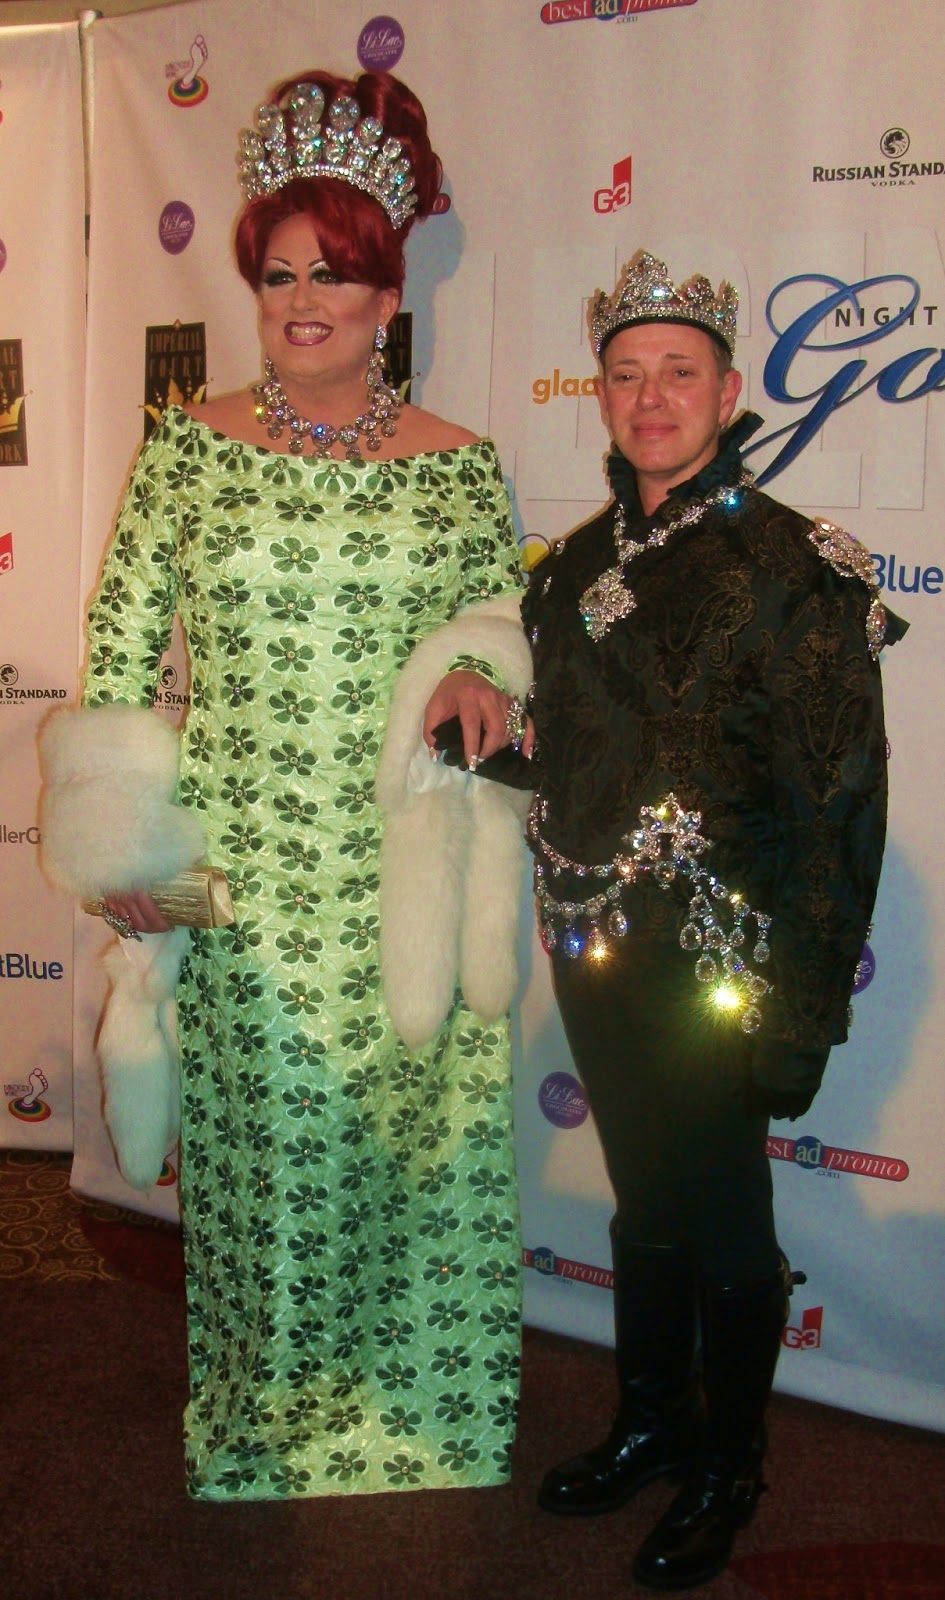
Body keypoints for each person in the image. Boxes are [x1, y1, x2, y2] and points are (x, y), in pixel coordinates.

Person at [38, 70, 533, 1502]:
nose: (304, 301)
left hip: (403, 868)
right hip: (239, 872)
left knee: (415, 1153)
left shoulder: (461, 469)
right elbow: (120, 655)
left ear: (387, 294)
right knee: (266, 1166)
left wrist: (482, 673)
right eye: (279, 276)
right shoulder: (188, 449)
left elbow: (495, 626)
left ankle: (427, 1418)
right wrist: (124, 857)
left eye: (334, 274)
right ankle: (266, 1428)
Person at [522, 250, 905, 1589]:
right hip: (595, 942)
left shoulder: (795, 565)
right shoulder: (571, 565)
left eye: (677, 372)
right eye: (626, 374)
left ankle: (731, 1464)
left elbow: (840, 800)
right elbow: (576, 758)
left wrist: (805, 1008)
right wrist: (483, 745)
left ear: (728, 391)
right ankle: (654, 1422)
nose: (650, 396)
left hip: (725, 960)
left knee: (728, 1218)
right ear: (600, 394)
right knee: (643, 1200)